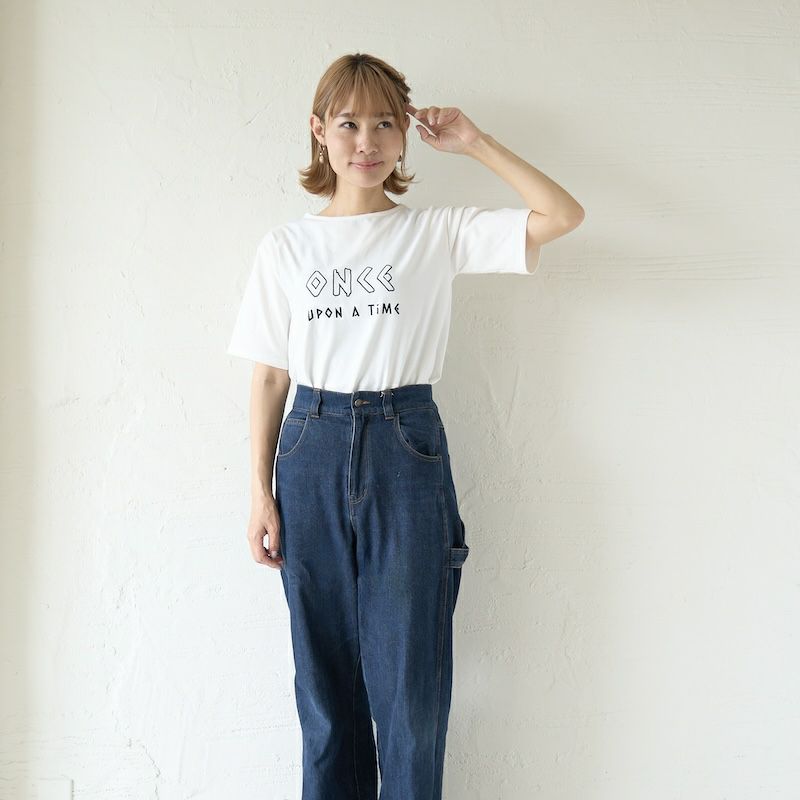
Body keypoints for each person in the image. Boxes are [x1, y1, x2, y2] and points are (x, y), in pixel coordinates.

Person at [226, 52, 584, 800]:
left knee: (412, 693)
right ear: (319, 131)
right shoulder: (286, 247)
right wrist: (259, 493)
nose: (367, 141)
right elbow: (268, 377)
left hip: (405, 443)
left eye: (385, 123)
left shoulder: (434, 233)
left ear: (405, 136)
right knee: (325, 692)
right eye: (349, 123)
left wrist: (476, 142)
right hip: (311, 444)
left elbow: (562, 215)